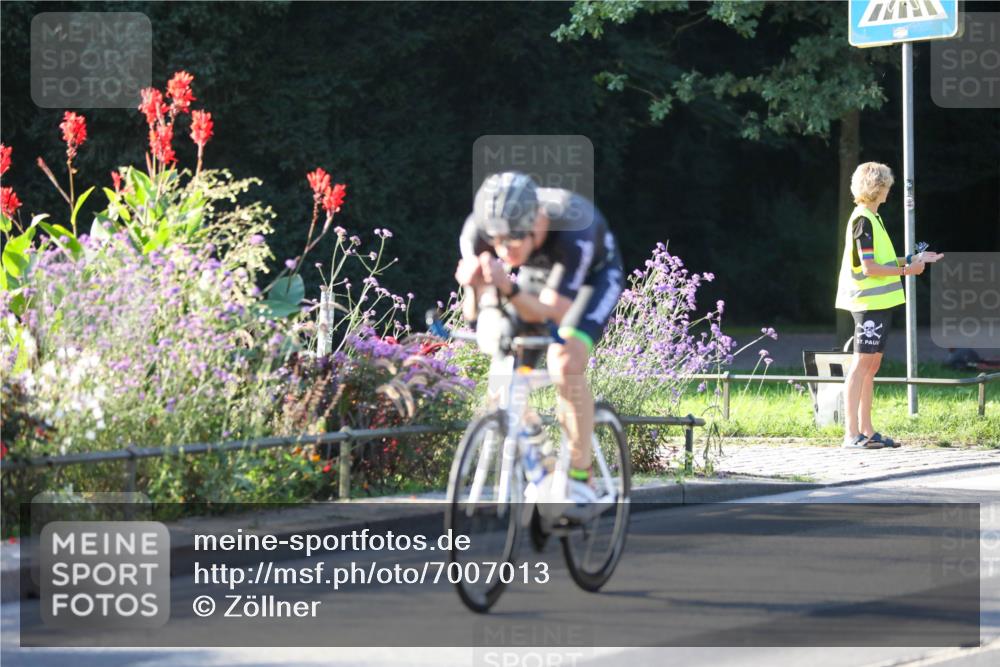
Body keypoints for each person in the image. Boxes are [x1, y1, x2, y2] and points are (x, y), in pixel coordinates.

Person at [454, 171, 624, 518]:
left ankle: (581, 479)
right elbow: (474, 316)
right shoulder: (478, 231)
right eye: (496, 241)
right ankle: (543, 464)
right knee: (504, 366)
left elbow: (556, 314)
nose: (502, 250)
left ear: (537, 223)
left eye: (511, 242)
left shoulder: (572, 231)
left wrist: (509, 289)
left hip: (592, 277)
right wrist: (473, 288)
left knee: (563, 361)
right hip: (538, 272)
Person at [835, 162, 943, 449]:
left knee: (871, 366)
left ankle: (867, 431)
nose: (889, 191)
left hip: (880, 303)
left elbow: (880, 261)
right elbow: (870, 268)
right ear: (876, 187)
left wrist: (912, 259)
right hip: (867, 303)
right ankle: (851, 434)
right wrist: (908, 272)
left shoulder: (873, 218)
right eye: (886, 186)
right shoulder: (863, 220)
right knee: (861, 366)